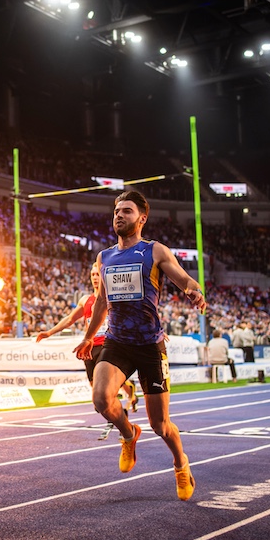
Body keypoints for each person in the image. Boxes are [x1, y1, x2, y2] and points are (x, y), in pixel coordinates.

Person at [74, 190, 207, 501]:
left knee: (160, 425)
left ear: (142, 218)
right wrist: (88, 336)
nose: (119, 215)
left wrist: (193, 290)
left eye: (127, 211)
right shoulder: (104, 257)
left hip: (149, 346)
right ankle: (128, 433)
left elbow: (185, 279)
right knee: (101, 400)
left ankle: (180, 464)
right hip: (117, 341)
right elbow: (102, 302)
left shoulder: (154, 251)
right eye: (117, 211)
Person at [36, 261, 138, 435]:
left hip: (109, 345)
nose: (95, 278)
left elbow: (131, 316)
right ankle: (129, 391)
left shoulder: (113, 297)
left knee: (106, 388)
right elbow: (69, 319)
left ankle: (124, 411)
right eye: (93, 275)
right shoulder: (86, 300)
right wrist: (49, 332)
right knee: (96, 394)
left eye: (98, 274)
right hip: (90, 348)